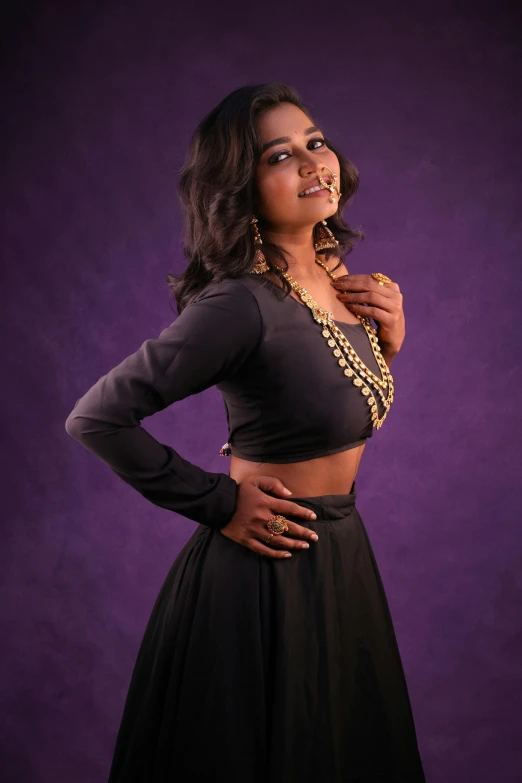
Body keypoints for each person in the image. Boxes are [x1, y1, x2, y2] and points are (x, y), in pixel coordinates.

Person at [65, 82, 426, 783]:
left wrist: (390, 341)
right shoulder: (239, 303)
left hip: (342, 559)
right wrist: (219, 503)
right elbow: (96, 416)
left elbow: (326, 406)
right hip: (263, 580)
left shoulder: (334, 275)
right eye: (280, 156)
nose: (313, 164)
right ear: (242, 188)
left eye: (316, 142)